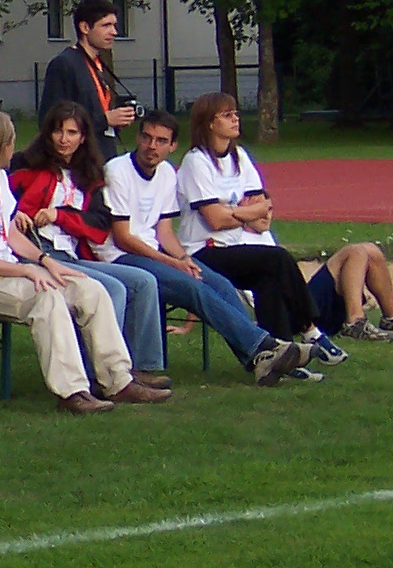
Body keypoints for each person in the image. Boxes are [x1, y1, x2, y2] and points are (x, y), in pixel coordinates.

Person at [0, 109, 170, 413]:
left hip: (7, 270)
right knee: (46, 299)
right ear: (0, 146)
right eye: (11, 142)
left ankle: (118, 381)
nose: (14, 149)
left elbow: (10, 233)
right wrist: (26, 270)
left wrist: (45, 261)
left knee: (91, 290)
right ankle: (72, 392)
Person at [94, 110, 308, 385]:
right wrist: (171, 262)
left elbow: (164, 232)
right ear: (138, 137)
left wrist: (184, 258)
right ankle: (264, 348)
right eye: (147, 137)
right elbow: (123, 237)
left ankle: (260, 360)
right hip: (120, 257)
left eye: (161, 141)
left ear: (173, 146)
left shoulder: (167, 173)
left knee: (219, 284)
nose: (151, 146)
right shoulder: (117, 170)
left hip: (154, 253)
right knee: (194, 287)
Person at [8, 100, 172, 387]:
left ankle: (139, 369)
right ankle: (102, 375)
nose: (64, 139)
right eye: (58, 131)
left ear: (83, 137)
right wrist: (15, 213)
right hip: (36, 254)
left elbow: (99, 225)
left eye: (72, 133)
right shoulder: (25, 164)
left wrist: (59, 216)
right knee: (112, 288)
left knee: (143, 282)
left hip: (72, 255)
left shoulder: (89, 174)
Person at [177, 91, 347, 366]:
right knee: (277, 258)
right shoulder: (196, 162)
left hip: (234, 246)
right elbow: (214, 221)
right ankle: (310, 331)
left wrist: (233, 212)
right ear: (209, 123)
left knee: (267, 280)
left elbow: (263, 209)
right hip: (202, 251)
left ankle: (283, 356)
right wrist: (244, 214)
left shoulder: (239, 157)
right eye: (227, 115)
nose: (236, 118)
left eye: (236, 113)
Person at [39, 0, 134, 166]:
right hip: (79, 164)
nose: (114, 32)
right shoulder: (64, 64)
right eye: (106, 25)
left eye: (114, 25)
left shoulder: (97, 63)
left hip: (103, 157)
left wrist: (116, 121)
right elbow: (51, 120)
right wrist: (105, 120)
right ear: (85, 27)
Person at [307, 243, 393, 342]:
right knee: (354, 252)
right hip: (301, 316)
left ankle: (390, 320)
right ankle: (355, 324)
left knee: (372, 251)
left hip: (308, 308)